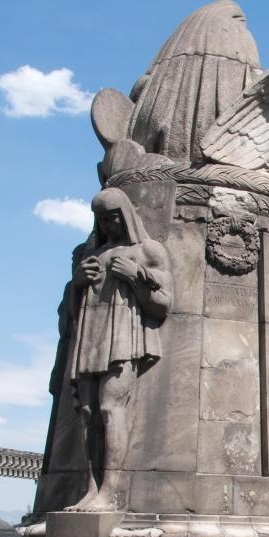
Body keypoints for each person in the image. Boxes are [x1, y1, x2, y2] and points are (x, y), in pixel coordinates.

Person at [65, 188, 173, 511]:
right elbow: (72, 312)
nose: (108, 224)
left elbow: (164, 304)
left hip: (122, 338)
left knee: (111, 408)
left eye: (113, 217)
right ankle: (90, 488)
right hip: (89, 337)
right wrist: (77, 284)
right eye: (101, 219)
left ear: (125, 215)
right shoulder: (91, 254)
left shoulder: (148, 251)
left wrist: (135, 277)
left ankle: (110, 490)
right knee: (86, 414)